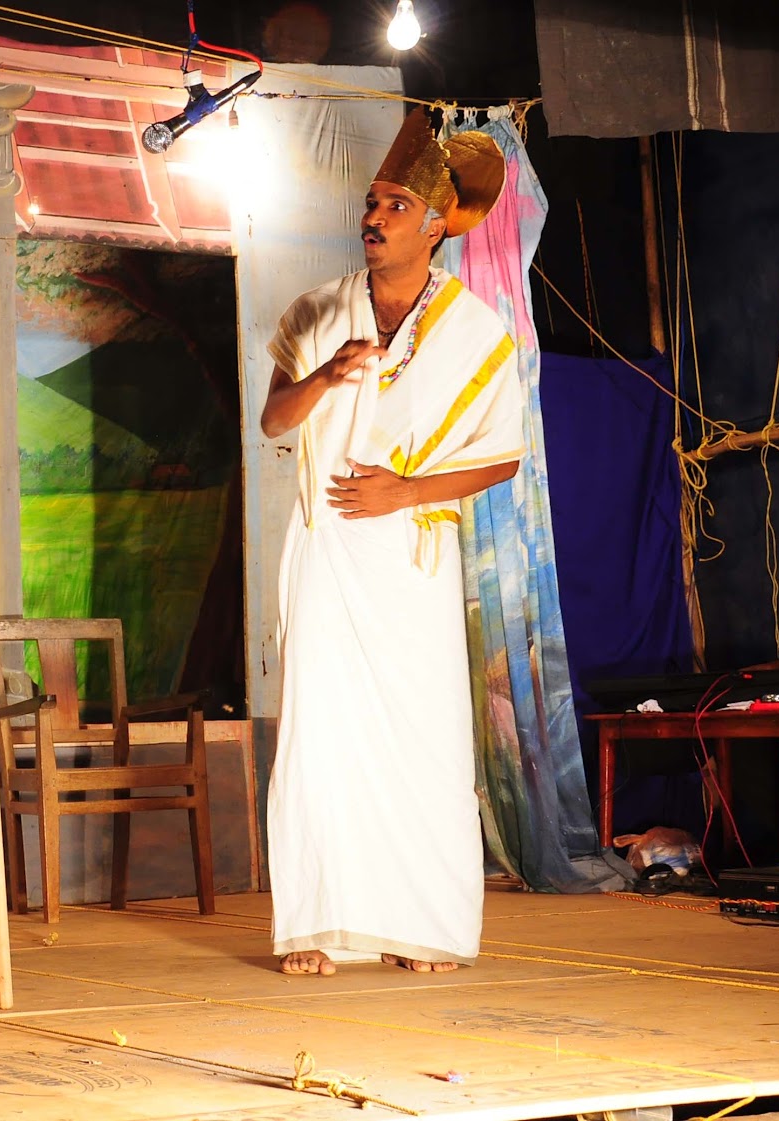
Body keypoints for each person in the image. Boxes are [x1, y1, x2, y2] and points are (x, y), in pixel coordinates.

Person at [259, 108, 524, 977]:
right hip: (327, 545)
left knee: (423, 735)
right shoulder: (316, 311)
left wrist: (404, 491)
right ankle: (318, 924)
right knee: (320, 732)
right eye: (372, 202)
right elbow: (274, 420)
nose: (374, 217)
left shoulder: (477, 330)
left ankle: (421, 924)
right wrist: (325, 373)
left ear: (436, 225)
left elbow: (502, 456)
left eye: (396, 206)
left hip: (411, 556)